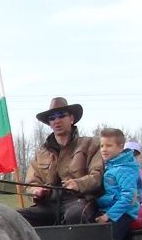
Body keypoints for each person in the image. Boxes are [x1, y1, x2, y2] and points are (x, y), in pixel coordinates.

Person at [18, 97, 105, 226]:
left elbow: (97, 176)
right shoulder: (40, 153)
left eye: (61, 116)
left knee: (75, 215)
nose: (56, 121)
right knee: (16, 218)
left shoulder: (91, 145)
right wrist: (36, 191)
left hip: (79, 201)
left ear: (71, 118)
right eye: (52, 118)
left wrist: (78, 184)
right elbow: (31, 183)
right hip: (49, 205)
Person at [95, 129, 141, 240]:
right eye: (102, 146)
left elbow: (129, 197)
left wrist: (108, 216)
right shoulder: (111, 165)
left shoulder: (125, 169)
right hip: (109, 208)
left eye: (109, 145)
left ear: (120, 147)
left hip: (124, 212)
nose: (104, 149)